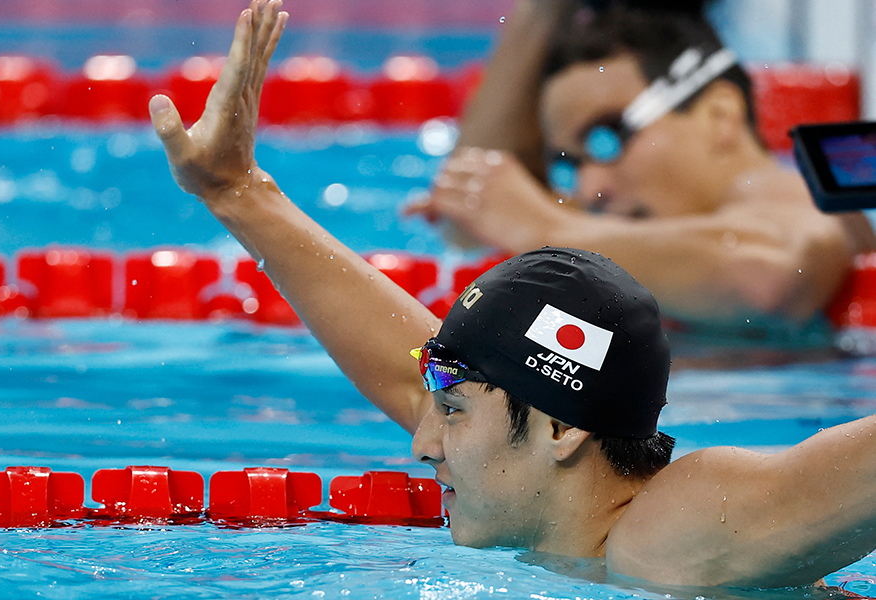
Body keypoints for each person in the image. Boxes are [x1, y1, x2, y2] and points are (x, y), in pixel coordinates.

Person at [148, 0, 876, 587]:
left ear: (564, 431)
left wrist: (540, 220)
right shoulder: (564, 497)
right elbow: (425, 382)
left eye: (610, 137)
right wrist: (236, 192)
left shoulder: (672, 538)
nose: (420, 444)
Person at [406, 0, 876, 325]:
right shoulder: (641, 234)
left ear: (720, 114)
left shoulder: (789, 194)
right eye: (573, 163)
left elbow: (771, 275)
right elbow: (465, 226)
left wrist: (544, 228)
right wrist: (543, 11)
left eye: (607, 139)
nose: (592, 189)